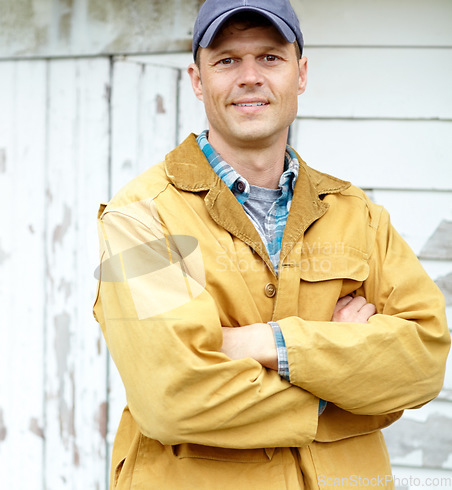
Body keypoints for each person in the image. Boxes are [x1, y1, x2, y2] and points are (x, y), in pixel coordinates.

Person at [93, 0, 450, 488]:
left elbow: (424, 359)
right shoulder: (139, 217)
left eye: (269, 57)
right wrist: (348, 386)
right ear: (198, 80)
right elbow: (172, 396)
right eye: (226, 60)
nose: (249, 77)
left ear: (300, 74)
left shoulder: (358, 214)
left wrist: (264, 343)